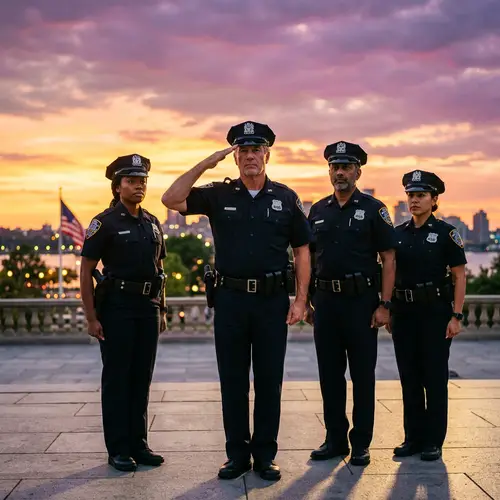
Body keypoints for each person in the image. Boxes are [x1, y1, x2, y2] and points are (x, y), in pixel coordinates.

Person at [161, 121, 312, 481]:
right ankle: (237, 456)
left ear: (267, 154)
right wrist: (205, 164)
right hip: (229, 301)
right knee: (232, 381)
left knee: (269, 381)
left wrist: (301, 299)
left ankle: (264, 457)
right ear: (235, 157)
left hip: (272, 301)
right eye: (242, 151)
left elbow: (303, 251)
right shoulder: (218, 194)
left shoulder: (286, 198)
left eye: (255, 149)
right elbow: (171, 198)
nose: (249, 156)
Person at [307, 141, 396, 466]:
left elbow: (388, 259)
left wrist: (385, 304)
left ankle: (360, 443)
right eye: (335, 167)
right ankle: (334, 439)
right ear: (329, 171)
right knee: (329, 375)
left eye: (346, 167)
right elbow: (308, 256)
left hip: (362, 304)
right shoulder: (318, 210)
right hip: (327, 303)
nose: (340, 172)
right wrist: (307, 300)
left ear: (358, 171)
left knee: (362, 375)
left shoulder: (375, 209)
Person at [80, 154, 167, 472]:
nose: (139, 186)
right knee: (118, 379)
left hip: (147, 309)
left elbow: (160, 269)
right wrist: (91, 317)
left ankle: (139, 444)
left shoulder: (153, 223)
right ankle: (118, 448)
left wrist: (162, 310)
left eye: (143, 180)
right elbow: (86, 270)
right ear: (117, 187)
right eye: (131, 181)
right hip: (116, 309)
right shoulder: (104, 223)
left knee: (142, 378)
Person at [388, 170, 467, 461]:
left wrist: (456, 315)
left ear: (434, 200)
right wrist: (389, 309)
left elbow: (459, 277)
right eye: (410, 195)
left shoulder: (447, 233)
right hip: (405, 313)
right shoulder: (397, 234)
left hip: (435, 313)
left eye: (421, 195)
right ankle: (413, 438)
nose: (414, 200)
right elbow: (390, 272)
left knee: (434, 378)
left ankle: (433, 440)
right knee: (409, 377)